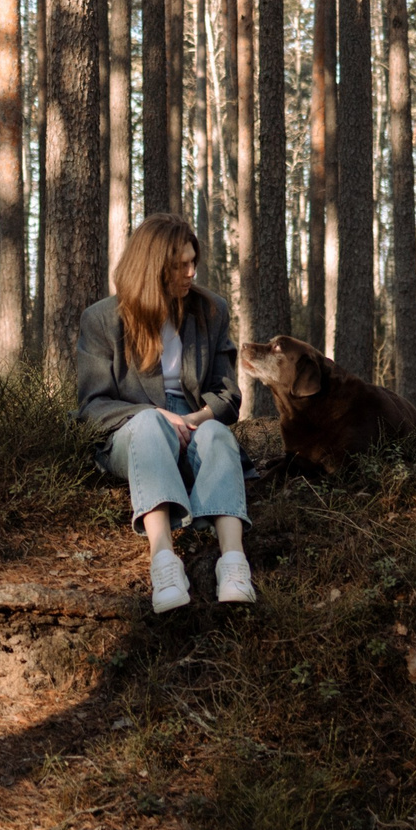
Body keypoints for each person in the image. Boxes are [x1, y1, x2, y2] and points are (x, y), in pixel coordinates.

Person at [75, 214, 257, 613]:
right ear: (152, 266)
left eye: (193, 262)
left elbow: (227, 395)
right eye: (179, 265)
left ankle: (234, 564)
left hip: (194, 428)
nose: (191, 273)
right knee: (148, 426)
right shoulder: (103, 320)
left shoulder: (210, 312)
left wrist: (191, 421)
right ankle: (164, 562)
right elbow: (92, 407)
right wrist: (156, 414)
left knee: (219, 436)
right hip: (133, 432)